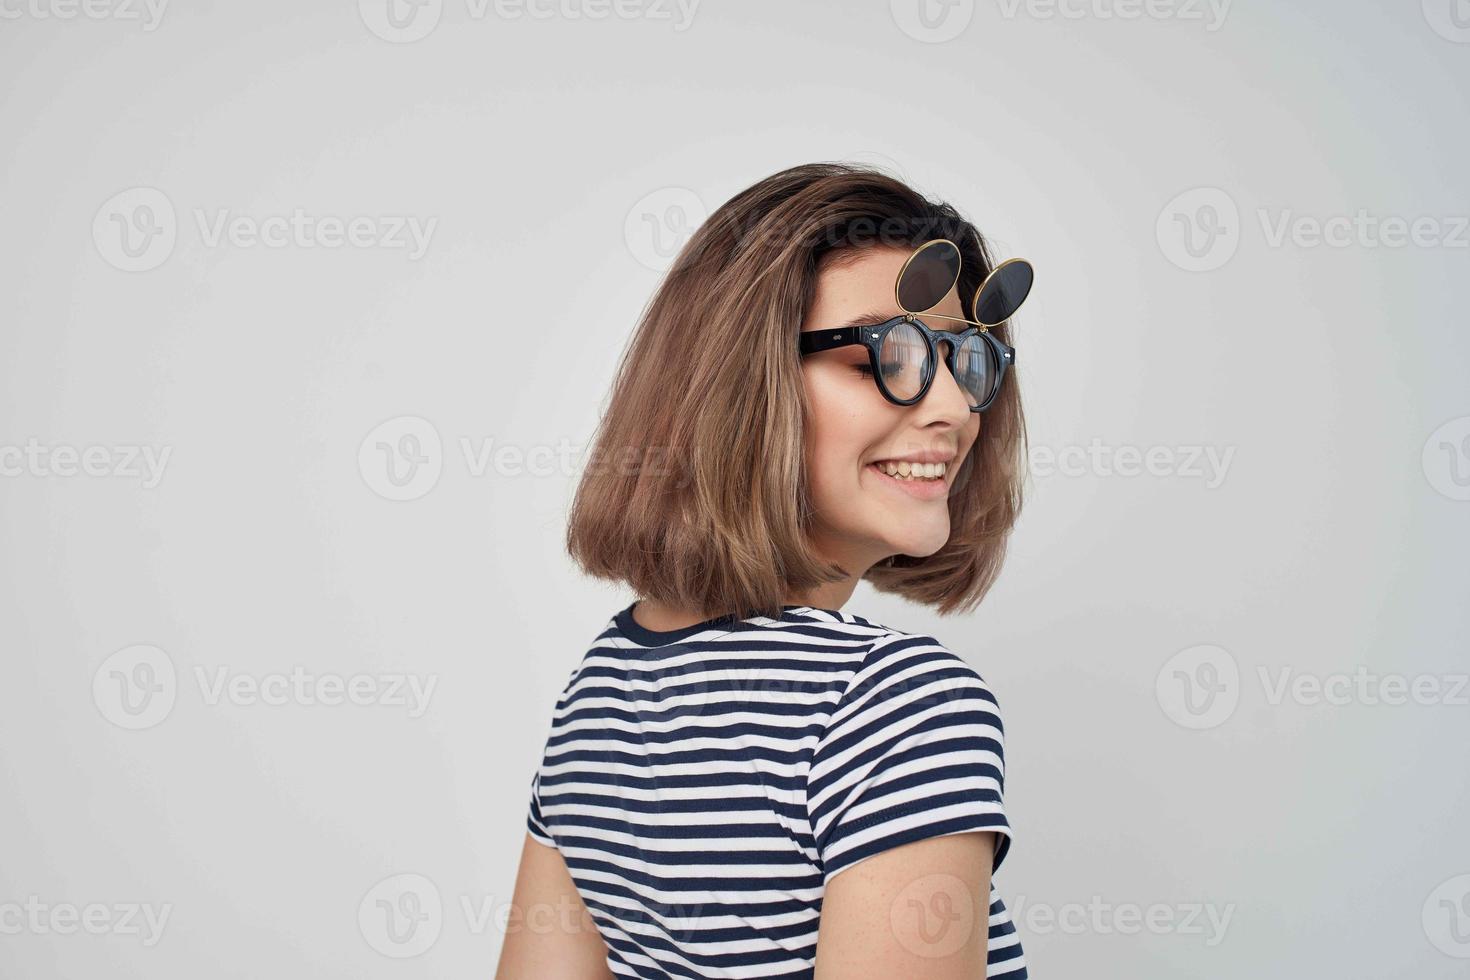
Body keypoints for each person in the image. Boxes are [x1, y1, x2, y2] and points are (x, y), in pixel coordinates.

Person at [495, 161, 1034, 979]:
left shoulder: (602, 689)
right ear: (741, 385)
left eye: (967, 360)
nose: (957, 409)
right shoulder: (897, 708)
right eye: (888, 356)